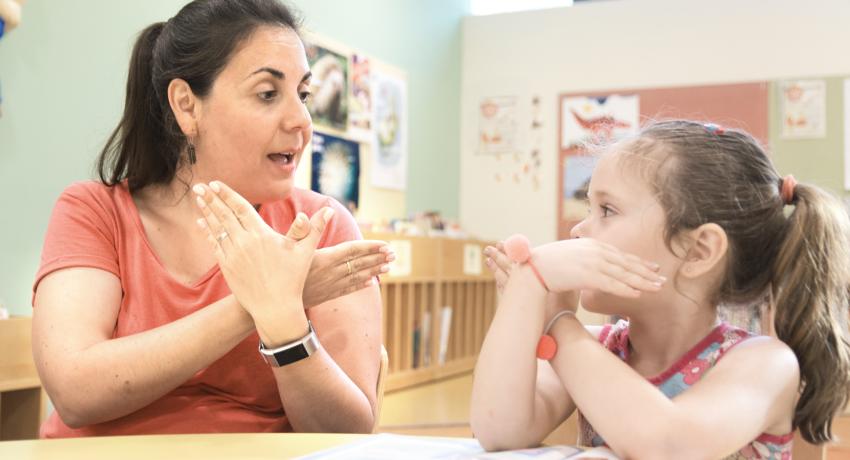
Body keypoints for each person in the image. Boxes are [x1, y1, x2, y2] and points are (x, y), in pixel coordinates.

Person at [32, 0, 392, 438]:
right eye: (267, 94)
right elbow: (74, 392)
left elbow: (348, 430)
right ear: (187, 106)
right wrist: (263, 303)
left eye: (303, 95)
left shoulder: (322, 226)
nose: (302, 121)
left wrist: (285, 326)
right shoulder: (93, 211)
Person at [472, 120, 850, 458]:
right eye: (589, 208)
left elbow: (666, 446)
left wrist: (557, 321)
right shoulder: (594, 347)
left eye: (607, 210)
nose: (578, 231)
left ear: (699, 251)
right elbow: (500, 432)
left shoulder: (766, 363)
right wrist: (526, 296)